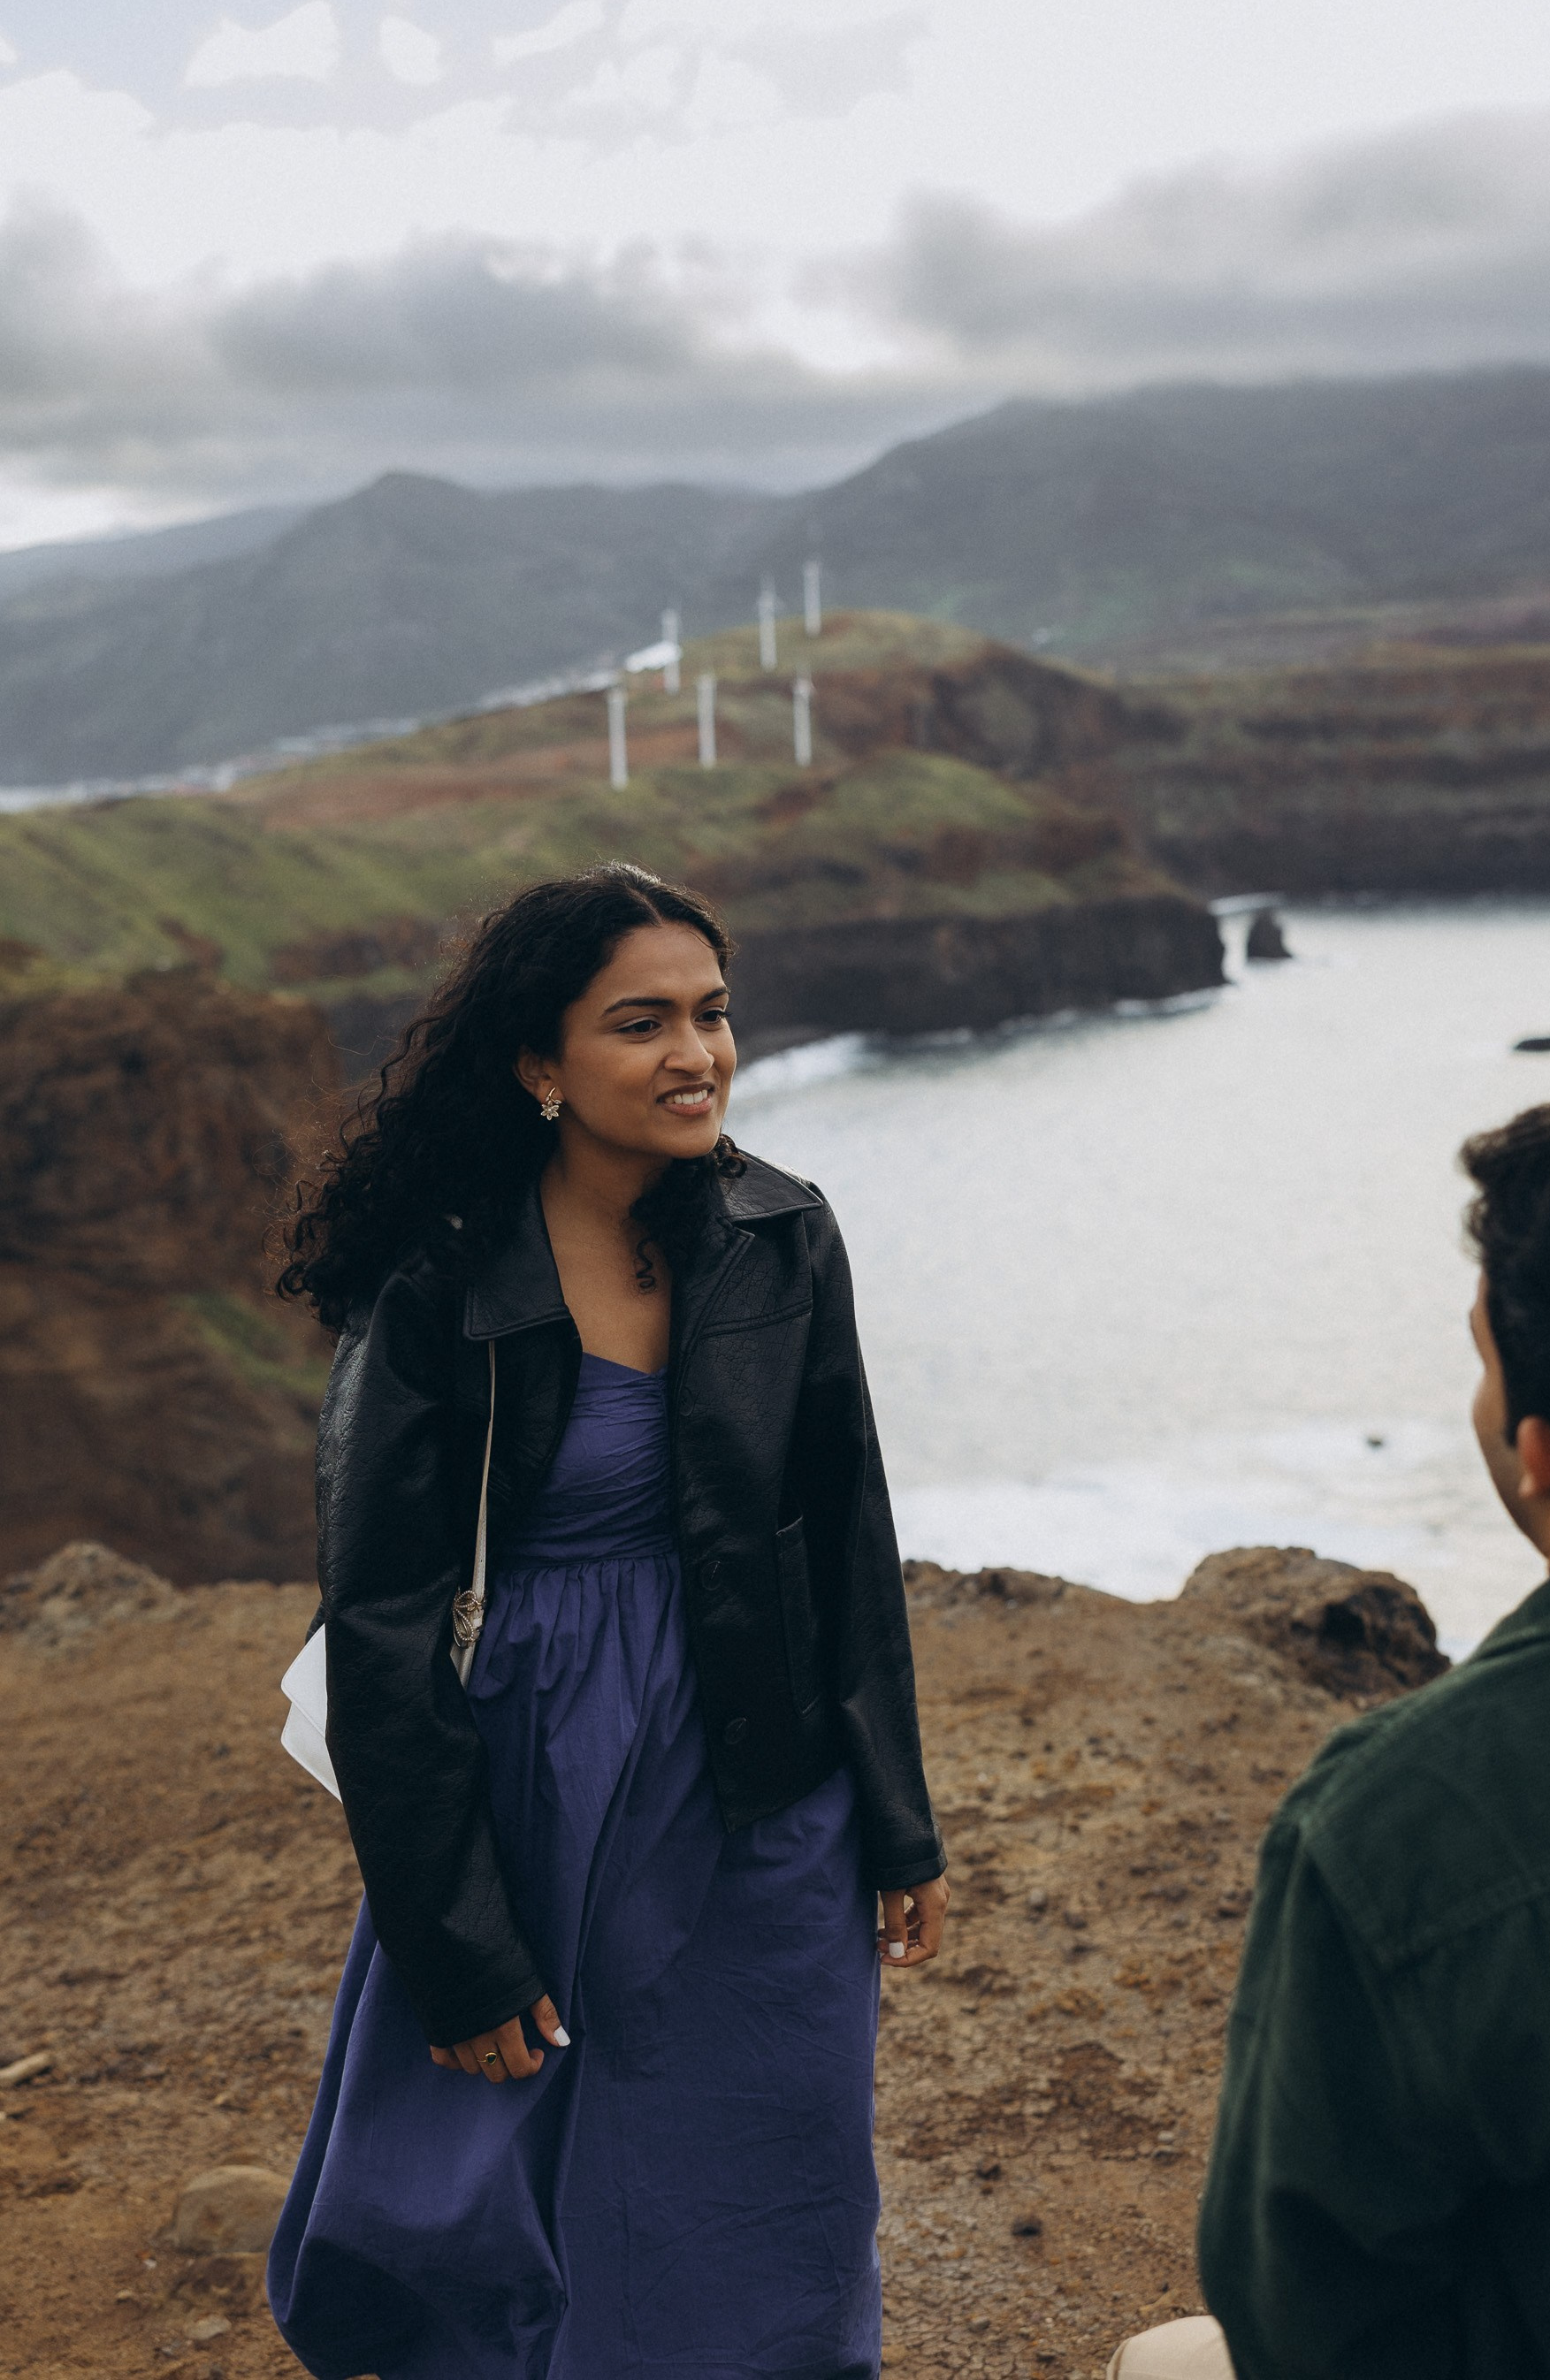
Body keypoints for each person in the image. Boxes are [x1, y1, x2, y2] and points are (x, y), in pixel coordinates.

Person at [267, 863, 948, 2380]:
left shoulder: (784, 1232)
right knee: (509, 2186)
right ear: (538, 1065)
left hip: (765, 1774)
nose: (695, 1053)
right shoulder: (445, 1276)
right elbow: (379, 1622)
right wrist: (454, 1941)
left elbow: (845, 1533)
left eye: (712, 1014)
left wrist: (896, 1819)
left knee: (775, 2147)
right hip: (538, 1780)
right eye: (641, 1023)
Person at [1110, 1087, 1550, 2378]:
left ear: (1542, 1452)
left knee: (1171, 2361)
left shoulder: (1397, 1822)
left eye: (1484, 1355)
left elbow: (1309, 2313)